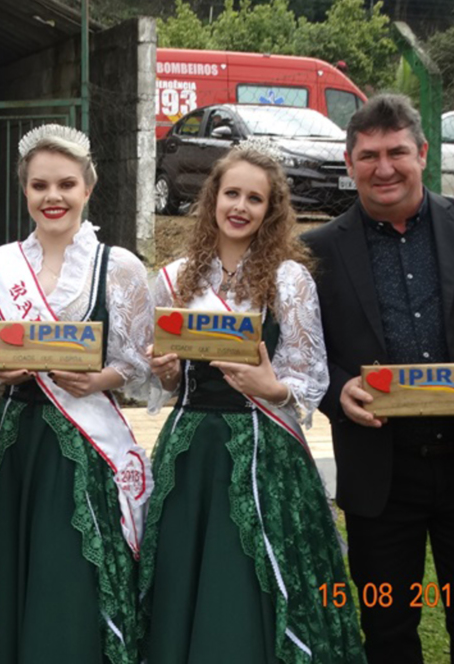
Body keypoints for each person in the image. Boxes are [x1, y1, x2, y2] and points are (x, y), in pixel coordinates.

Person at [303, 94, 454, 663]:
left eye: (397, 152)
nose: (384, 168)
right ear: (349, 160)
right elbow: (301, 355)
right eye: (369, 155)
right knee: (387, 636)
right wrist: (338, 393)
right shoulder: (317, 251)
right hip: (381, 477)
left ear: (423, 153)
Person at [141, 144, 366, 663]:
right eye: (231, 193)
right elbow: (164, 378)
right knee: (189, 569)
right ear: (213, 198)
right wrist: (166, 370)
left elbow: (308, 376)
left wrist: (273, 387)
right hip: (191, 448)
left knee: (251, 570)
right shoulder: (175, 279)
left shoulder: (289, 280)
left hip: (265, 446)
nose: (240, 206)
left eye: (255, 198)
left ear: (272, 210)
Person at [0, 124, 154, 664]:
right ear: (25, 191)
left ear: (88, 188)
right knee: (17, 560)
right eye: (39, 185)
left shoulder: (118, 266)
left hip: (85, 444)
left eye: (66, 184)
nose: (53, 197)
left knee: (73, 564)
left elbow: (140, 358)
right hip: (18, 442)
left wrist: (101, 380)